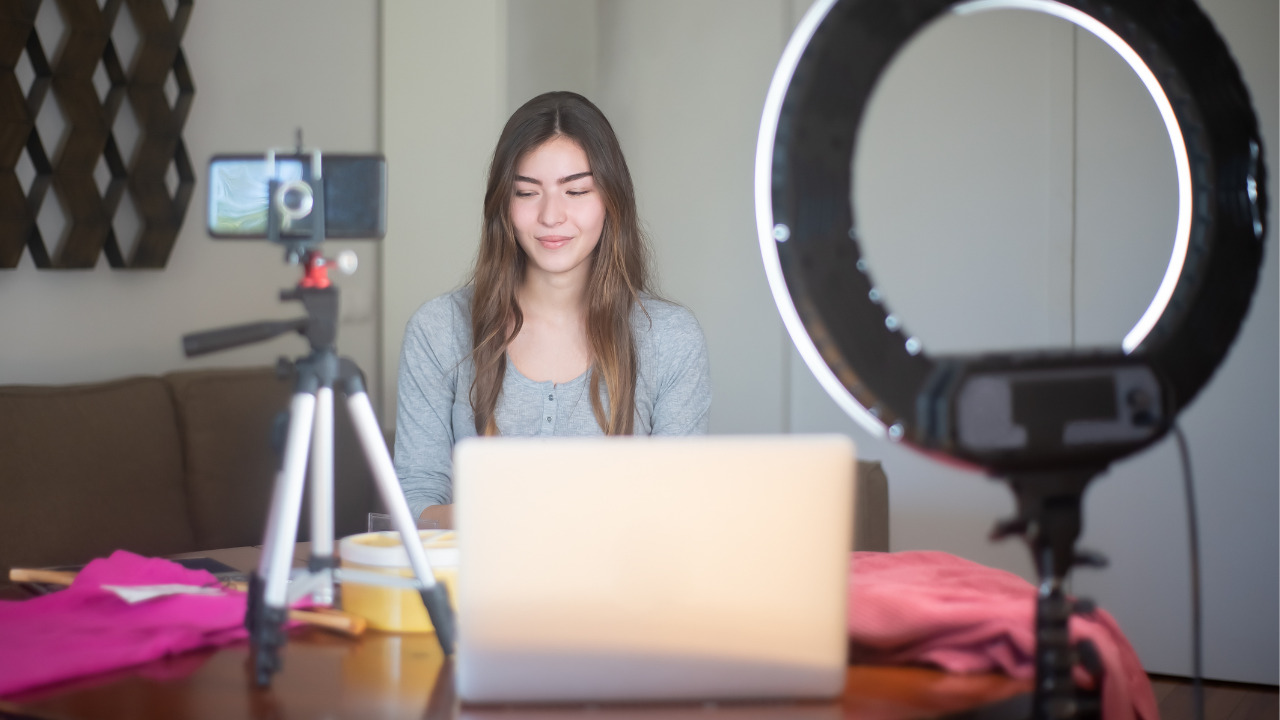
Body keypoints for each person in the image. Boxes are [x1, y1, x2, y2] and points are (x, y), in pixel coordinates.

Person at [394, 91, 712, 529]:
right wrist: (521, 518)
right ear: (503, 205)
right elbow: (414, 505)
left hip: (621, 594)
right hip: (478, 592)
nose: (551, 215)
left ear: (611, 201)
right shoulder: (438, 330)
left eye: (576, 190)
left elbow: (681, 511)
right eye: (527, 192)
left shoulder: (670, 337)